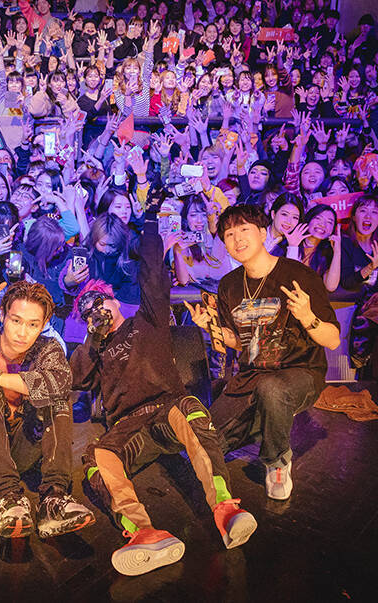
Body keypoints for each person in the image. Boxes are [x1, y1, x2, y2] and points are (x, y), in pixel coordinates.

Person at [71, 205, 256, 577]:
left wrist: (153, 223)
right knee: (95, 458)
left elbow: (153, 274)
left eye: (101, 303)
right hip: (127, 427)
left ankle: (226, 510)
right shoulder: (95, 349)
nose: (98, 312)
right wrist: (93, 337)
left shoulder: (147, 319)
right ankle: (143, 533)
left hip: (166, 409)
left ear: (115, 300)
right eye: (89, 311)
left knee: (190, 408)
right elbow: (76, 378)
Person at [188, 204, 339, 502]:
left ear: (261, 233)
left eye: (244, 230)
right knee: (203, 445)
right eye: (229, 234)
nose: (237, 239)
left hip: (300, 372)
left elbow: (333, 340)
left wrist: (307, 316)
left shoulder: (299, 275)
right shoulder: (229, 285)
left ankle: (277, 461)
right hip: (251, 376)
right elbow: (238, 342)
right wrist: (211, 328)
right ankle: (264, 421)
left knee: (272, 389)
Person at [0, 280, 94, 538]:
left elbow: (60, 381)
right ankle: (9, 499)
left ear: (43, 325)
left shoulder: (48, 348)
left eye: (33, 325)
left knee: (57, 396)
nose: (22, 332)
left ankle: (54, 499)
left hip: (23, 450)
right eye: (16, 321)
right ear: (2, 315)